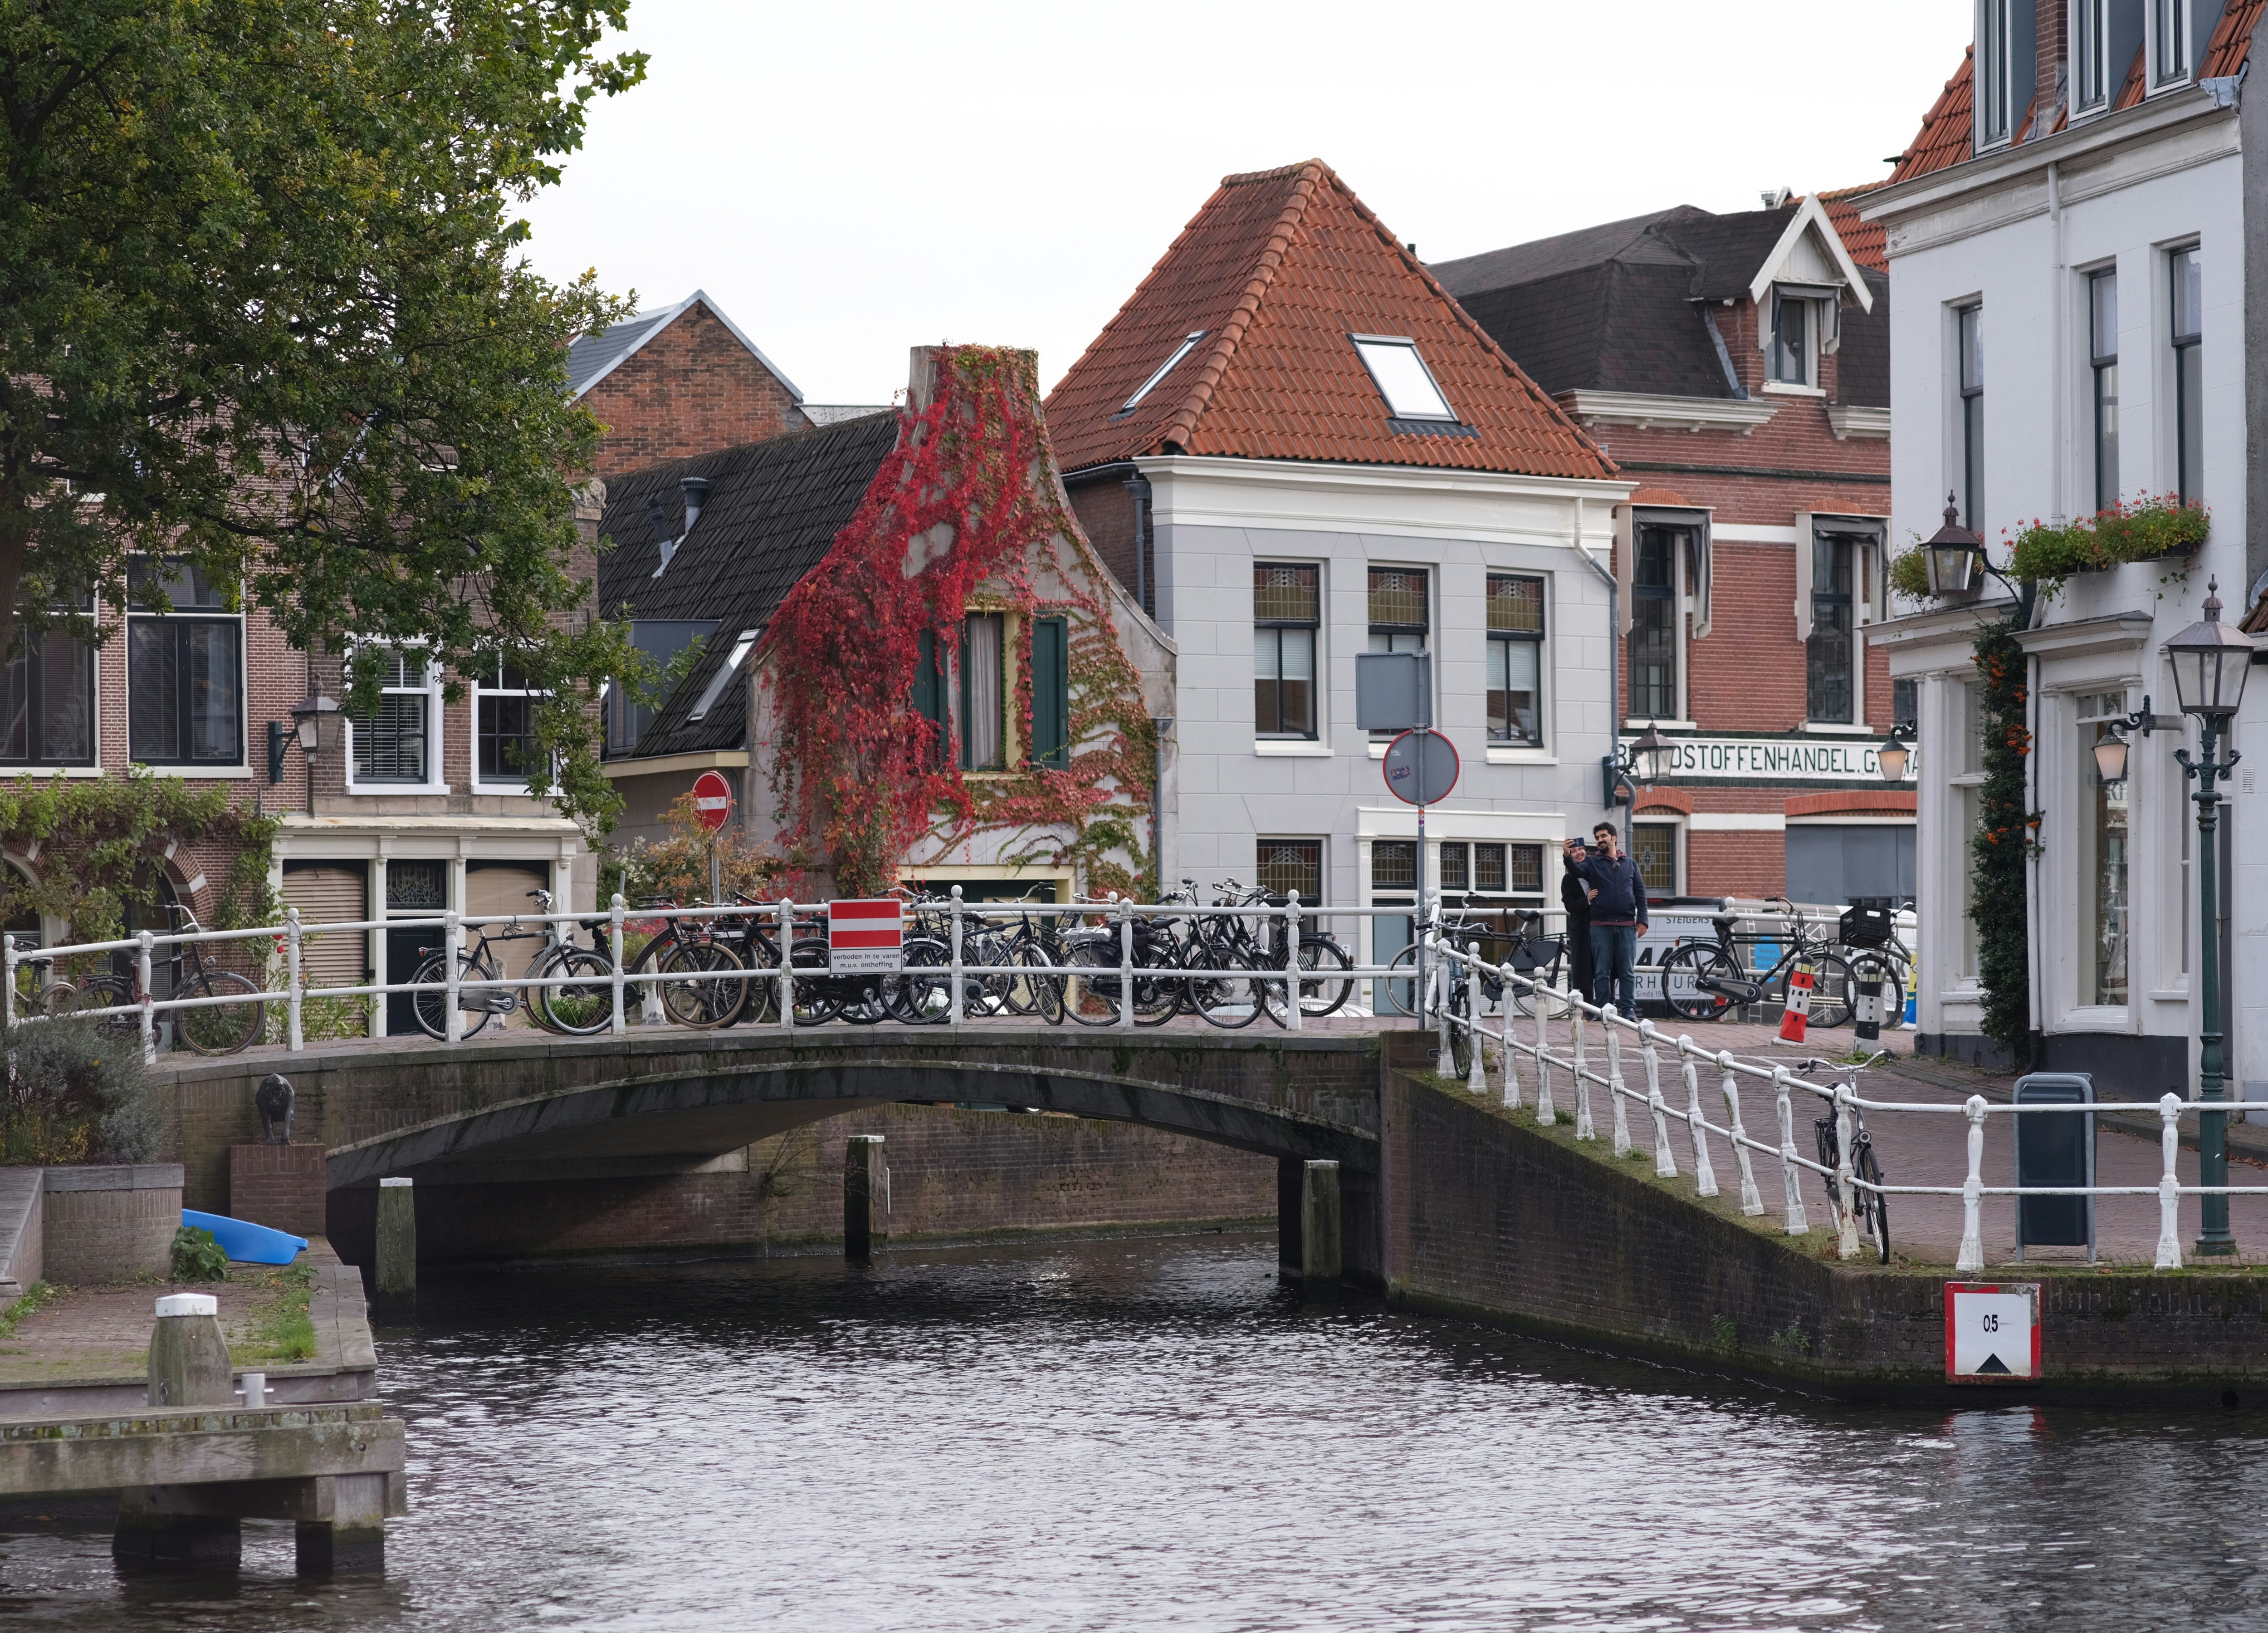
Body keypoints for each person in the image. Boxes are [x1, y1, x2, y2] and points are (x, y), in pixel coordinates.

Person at [1563, 821, 1648, 1019]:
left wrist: (1643, 919)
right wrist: (1567, 857)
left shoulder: (1631, 864)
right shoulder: (1592, 863)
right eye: (1598, 838)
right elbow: (1576, 872)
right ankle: (1603, 1010)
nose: (1600, 840)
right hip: (1600, 925)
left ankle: (1629, 1010)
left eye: (1603, 836)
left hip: (1627, 925)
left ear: (1614, 838)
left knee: (1627, 971)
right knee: (1602, 971)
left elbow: (1640, 894)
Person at [1559, 844, 1594, 1003]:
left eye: (1581, 849)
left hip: (1600, 926)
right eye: (1574, 851)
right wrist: (1587, 900)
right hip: (1581, 928)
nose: (1579, 853)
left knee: (1604, 967)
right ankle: (1588, 1009)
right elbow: (1570, 906)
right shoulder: (1568, 880)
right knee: (1584, 969)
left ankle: (1606, 1004)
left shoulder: (1596, 870)